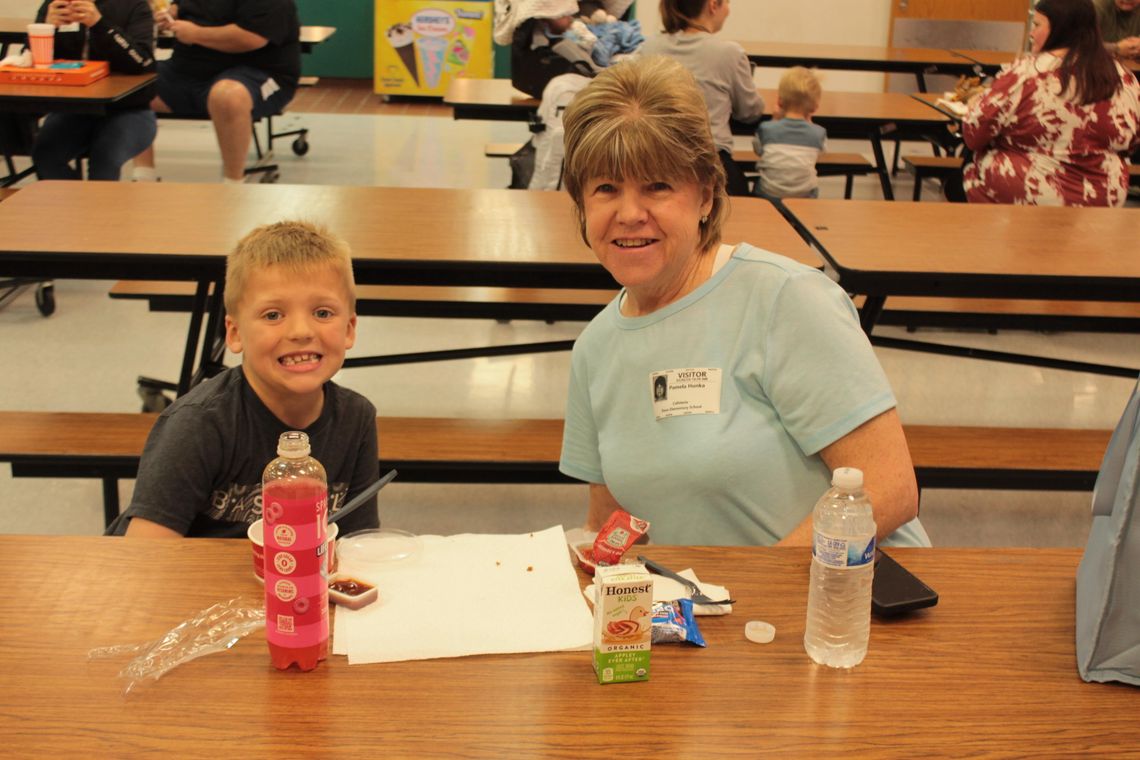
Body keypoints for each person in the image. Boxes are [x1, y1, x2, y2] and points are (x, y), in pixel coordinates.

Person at [557, 55, 929, 548]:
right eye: (606, 188)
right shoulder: (595, 349)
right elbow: (610, 519)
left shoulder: (784, 299)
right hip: (708, 611)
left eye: (657, 186)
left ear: (706, 195)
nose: (629, 214)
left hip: (844, 602)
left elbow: (890, 489)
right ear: (582, 206)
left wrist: (757, 595)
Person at [107, 221, 380, 538]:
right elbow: (145, 556)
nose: (301, 332)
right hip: (189, 580)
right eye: (273, 315)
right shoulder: (198, 424)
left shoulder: (357, 418)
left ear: (349, 329)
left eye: (322, 313)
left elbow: (358, 545)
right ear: (234, 334)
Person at [962, 0, 1140, 206]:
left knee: (968, 164)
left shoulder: (1026, 73)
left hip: (1029, 194)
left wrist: (978, 103)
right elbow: (1132, 143)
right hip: (1103, 197)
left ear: (1059, 29)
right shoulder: (1124, 78)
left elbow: (973, 133)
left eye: (1037, 26)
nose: (1031, 33)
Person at [132, 0, 301, 183]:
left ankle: (233, 183)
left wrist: (195, 33)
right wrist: (171, 13)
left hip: (259, 71)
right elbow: (185, 7)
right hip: (186, 71)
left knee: (227, 96)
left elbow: (251, 37)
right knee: (133, 84)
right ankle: (143, 176)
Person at [640, 0, 764, 196]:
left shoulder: (648, 47)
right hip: (710, 163)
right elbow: (750, 111)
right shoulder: (729, 53)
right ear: (713, 5)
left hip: (653, 160)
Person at [30, 0, 157, 181]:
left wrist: (99, 24)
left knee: (105, 160)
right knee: (45, 155)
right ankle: (76, 206)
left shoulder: (134, 5)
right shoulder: (55, 4)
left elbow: (142, 63)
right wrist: (48, 28)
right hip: (72, 109)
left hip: (129, 109)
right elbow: (31, 58)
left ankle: (95, 206)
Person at [752, 66, 827, 200]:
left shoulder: (767, 128)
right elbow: (819, 154)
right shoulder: (819, 133)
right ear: (815, 107)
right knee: (812, 182)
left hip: (769, 194)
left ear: (780, 101)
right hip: (805, 196)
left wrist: (775, 120)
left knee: (758, 182)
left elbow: (758, 150)